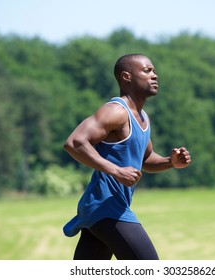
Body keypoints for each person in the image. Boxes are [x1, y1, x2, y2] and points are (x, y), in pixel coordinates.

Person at [62, 54, 192, 260]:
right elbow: (75, 143)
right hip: (106, 207)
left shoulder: (142, 118)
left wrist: (170, 162)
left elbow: (145, 160)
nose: (155, 75)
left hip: (105, 208)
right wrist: (115, 170)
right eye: (147, 71)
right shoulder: (116, 111)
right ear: (126, 77)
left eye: (154, 71)